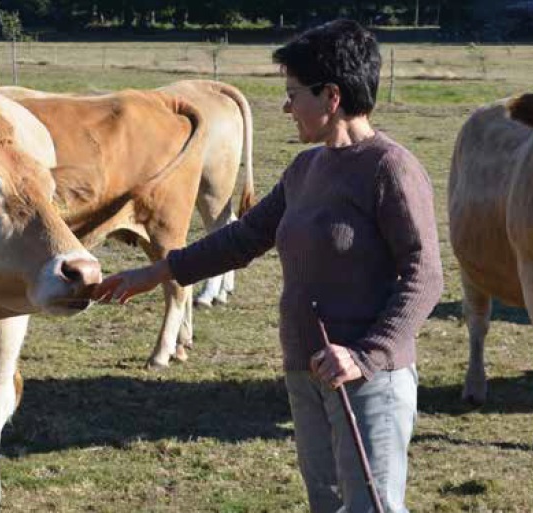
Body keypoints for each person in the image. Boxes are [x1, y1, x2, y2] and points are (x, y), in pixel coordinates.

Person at [91, 19, 443, 513]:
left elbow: (424, 276)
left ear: (332, 97)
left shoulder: (390, 169)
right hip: (307, 371)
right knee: (326, 503)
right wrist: (157, 272)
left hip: (369, 380)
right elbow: (243, 238)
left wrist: (366, 355)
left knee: (372, 507)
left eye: (294, 93)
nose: (286, 106)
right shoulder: (305, 169)